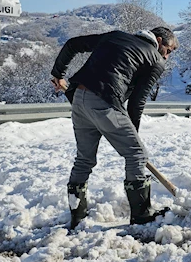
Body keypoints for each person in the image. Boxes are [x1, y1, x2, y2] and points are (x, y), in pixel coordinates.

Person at [50, 26, 178, 229]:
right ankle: (141, 215)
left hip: (79, 99)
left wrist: (58, 74)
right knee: (137, 154)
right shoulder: (155, 60)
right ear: (159, 40)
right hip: (103, 102)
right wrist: (133, 139)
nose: (167, 56)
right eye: (169, 50)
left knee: (84, 159)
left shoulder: (115, 36)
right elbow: (137, 103)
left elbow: (73, 44)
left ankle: (78, 215)